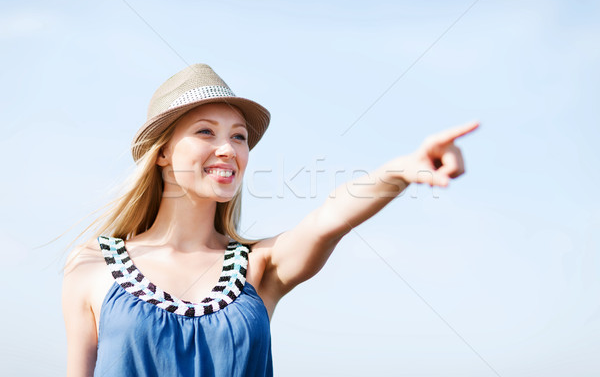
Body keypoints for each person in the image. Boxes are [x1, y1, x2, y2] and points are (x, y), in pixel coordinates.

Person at [62, 64, 479, 376]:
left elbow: (328, 218)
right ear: (163, 152)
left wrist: (401, 170)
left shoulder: (257, 268)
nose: (228, 148)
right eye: (206, 132)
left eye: (239, 136)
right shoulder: (91, 266)